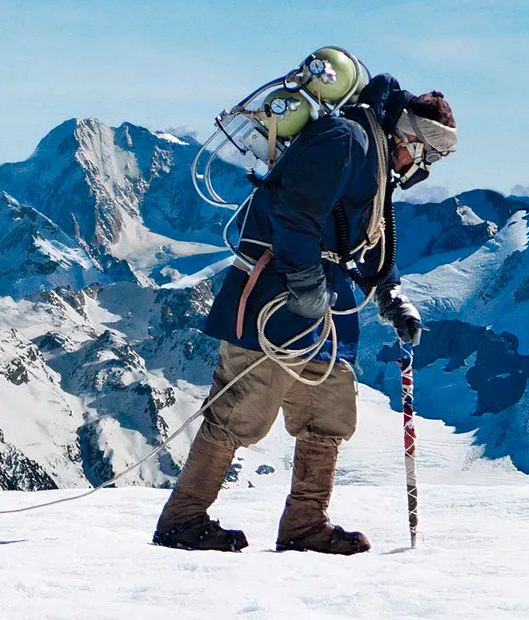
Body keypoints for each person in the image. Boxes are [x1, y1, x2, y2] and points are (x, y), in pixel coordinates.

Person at [153, 73, 457, 554]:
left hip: (320, 302)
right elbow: (293, 213)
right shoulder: (346, 140)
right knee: (240, 408)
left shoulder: (369, 154)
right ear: (411, 138)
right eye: (430, 154)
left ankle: (305, 524)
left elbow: (371, 233)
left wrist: (390, 294)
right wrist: (304, 284)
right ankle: (182, 520)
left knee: (329, 410)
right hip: (276, 294)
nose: (424, 166)